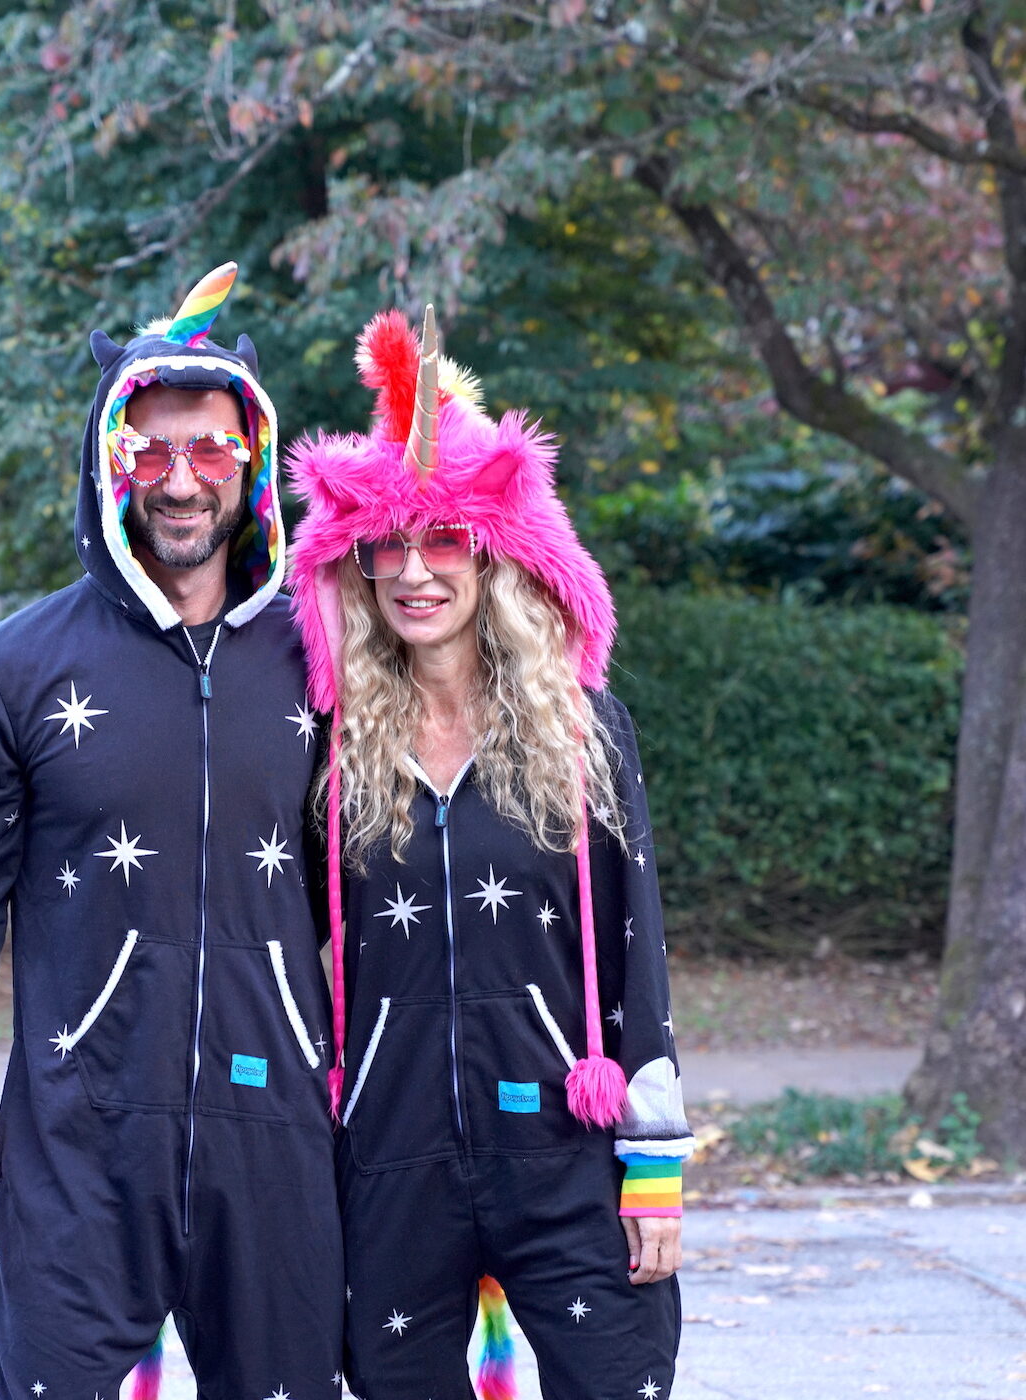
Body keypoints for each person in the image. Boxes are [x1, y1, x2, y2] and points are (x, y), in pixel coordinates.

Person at [0, 263, 344, 1399]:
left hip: (275, 1140)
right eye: (150, 452)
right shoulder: (12, 666)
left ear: (252, 460)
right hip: (77, 1151)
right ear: (110, 462)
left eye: (210, 450)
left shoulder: (331, 658)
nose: (180, 481)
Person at [287, 308, 694, 1399]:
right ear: (356, 566)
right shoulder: (328, 747)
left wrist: (653, 1162)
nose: (413, 572)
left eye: (443, 541)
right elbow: (273, 940)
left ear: (497, 554)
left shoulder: (585, 732)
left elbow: (636, 947)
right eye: (387, 547)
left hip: (562, 1151)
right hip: (389, 1153)